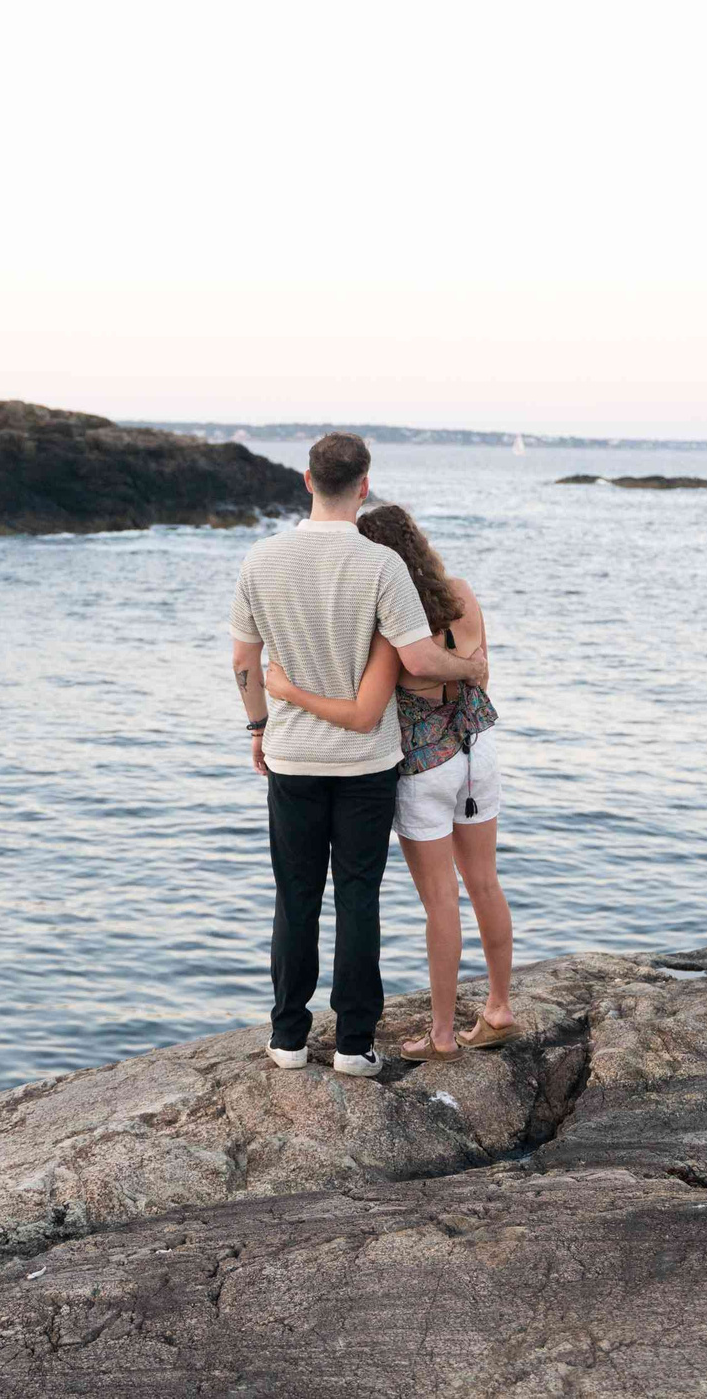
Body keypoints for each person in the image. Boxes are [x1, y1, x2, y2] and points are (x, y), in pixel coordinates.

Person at [228, 434, 489, 1078]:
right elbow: (420, 660)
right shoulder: (381, 565)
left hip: (291, 758)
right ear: (364, 485)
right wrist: (473, 667)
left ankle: (288, 1037)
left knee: (294, 897)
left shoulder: (261, 559)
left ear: (307, 480)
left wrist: (260, 727)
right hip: (366, 764)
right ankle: (352, 1045)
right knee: (358, 898)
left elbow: (243, 661)